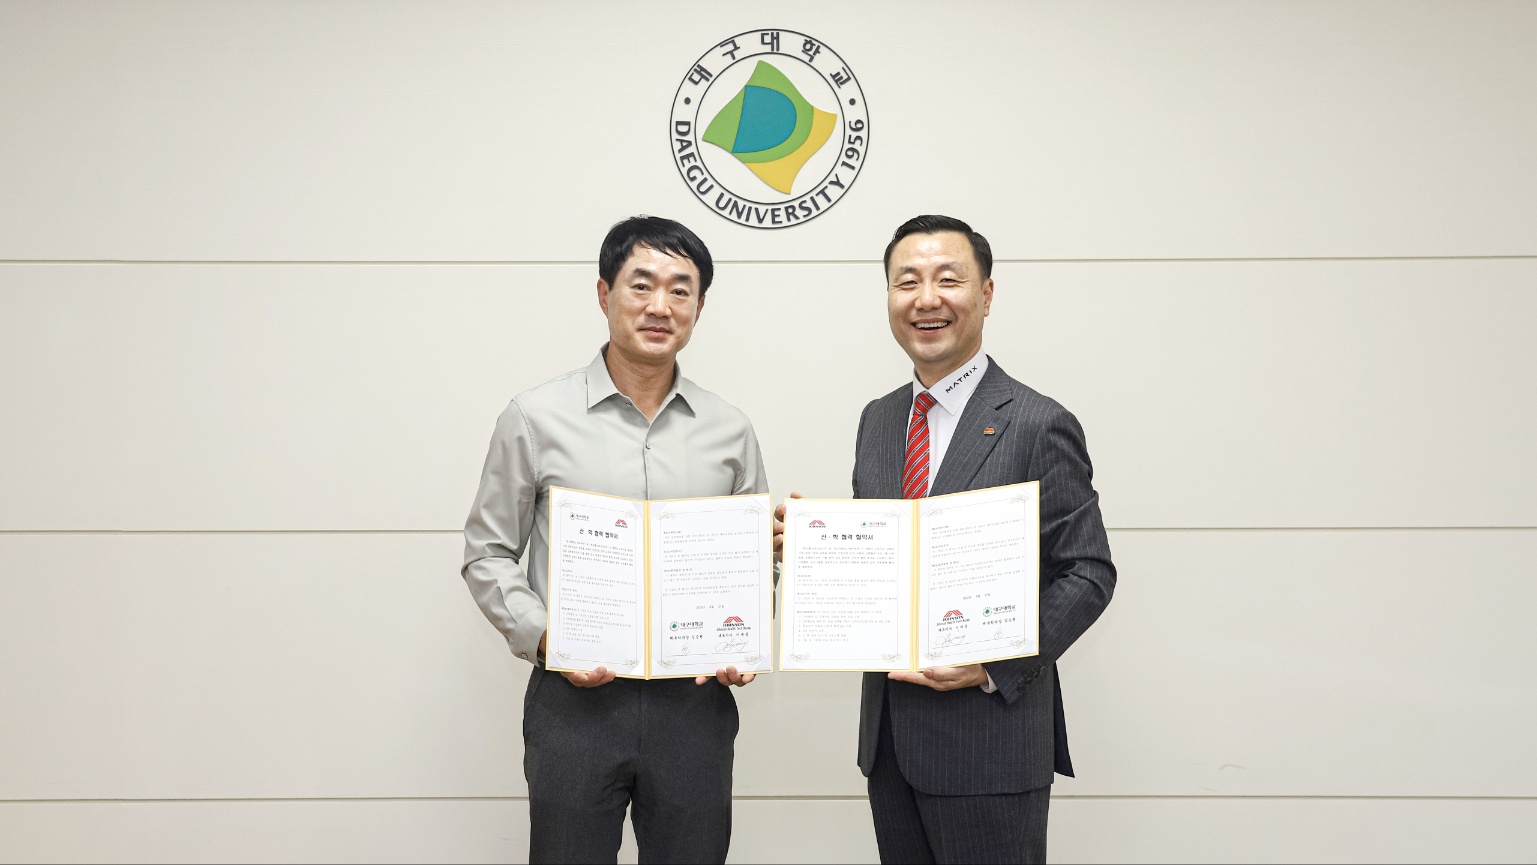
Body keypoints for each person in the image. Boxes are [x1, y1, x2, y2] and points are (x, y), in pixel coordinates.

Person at [461, 216, 766, 864]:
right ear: (604, 294)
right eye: (641, 285)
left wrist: (744, 638)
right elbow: (488, 552)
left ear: (700, 307)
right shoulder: (534, 417)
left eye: (680, 290)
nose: (660, 306)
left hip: (693, 706)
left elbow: (750, 564)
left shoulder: (730, 430)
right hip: (575, 706)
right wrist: (549, 638)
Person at [848, 214, 1116, 863]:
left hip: (988, 747)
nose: (926, 299)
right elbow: (882, 562)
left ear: (986, 294)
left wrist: (993, 664)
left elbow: (1088, 571)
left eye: (948, 279)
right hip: (889, 745)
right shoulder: (879, 419)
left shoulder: (1037, 422)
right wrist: (809, 550)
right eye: (907, 281)